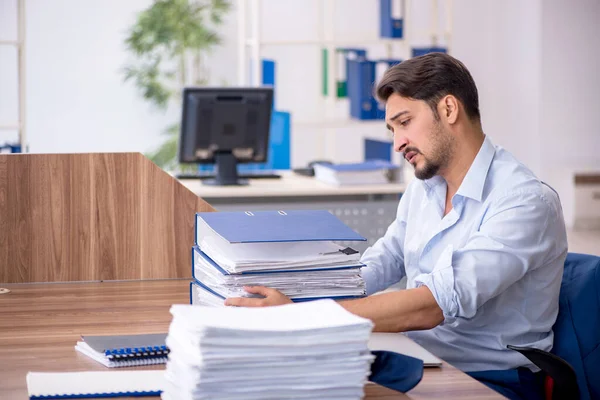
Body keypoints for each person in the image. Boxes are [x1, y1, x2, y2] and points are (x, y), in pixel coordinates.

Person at [225, 53, 568, 400]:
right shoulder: (425, 188)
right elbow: (381, 262)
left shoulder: (523, 200)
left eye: (404, 123)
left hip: (489, 379)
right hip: (418, 359)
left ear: (449, 110)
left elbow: (432, 305)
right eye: (392, 130)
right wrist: (290, 287)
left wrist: (303, 316)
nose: (397, 143)